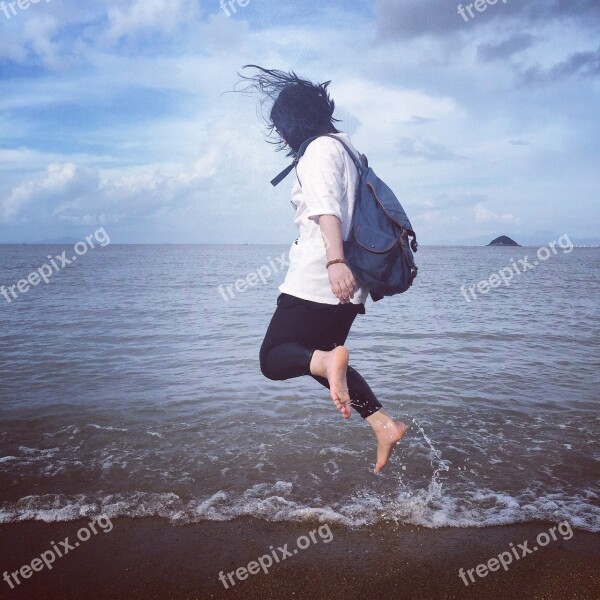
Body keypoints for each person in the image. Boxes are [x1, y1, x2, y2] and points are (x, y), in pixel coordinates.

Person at [240, 66, 407, 473]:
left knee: (275, 358)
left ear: (292, 124)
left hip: (323, 276)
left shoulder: (317, 152)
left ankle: (376, 417)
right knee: (322, 360)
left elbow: (326, 210)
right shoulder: (348, 150)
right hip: (353, 285)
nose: (280, 135)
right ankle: (383, 424)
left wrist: (333, 262)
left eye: (280, 126)